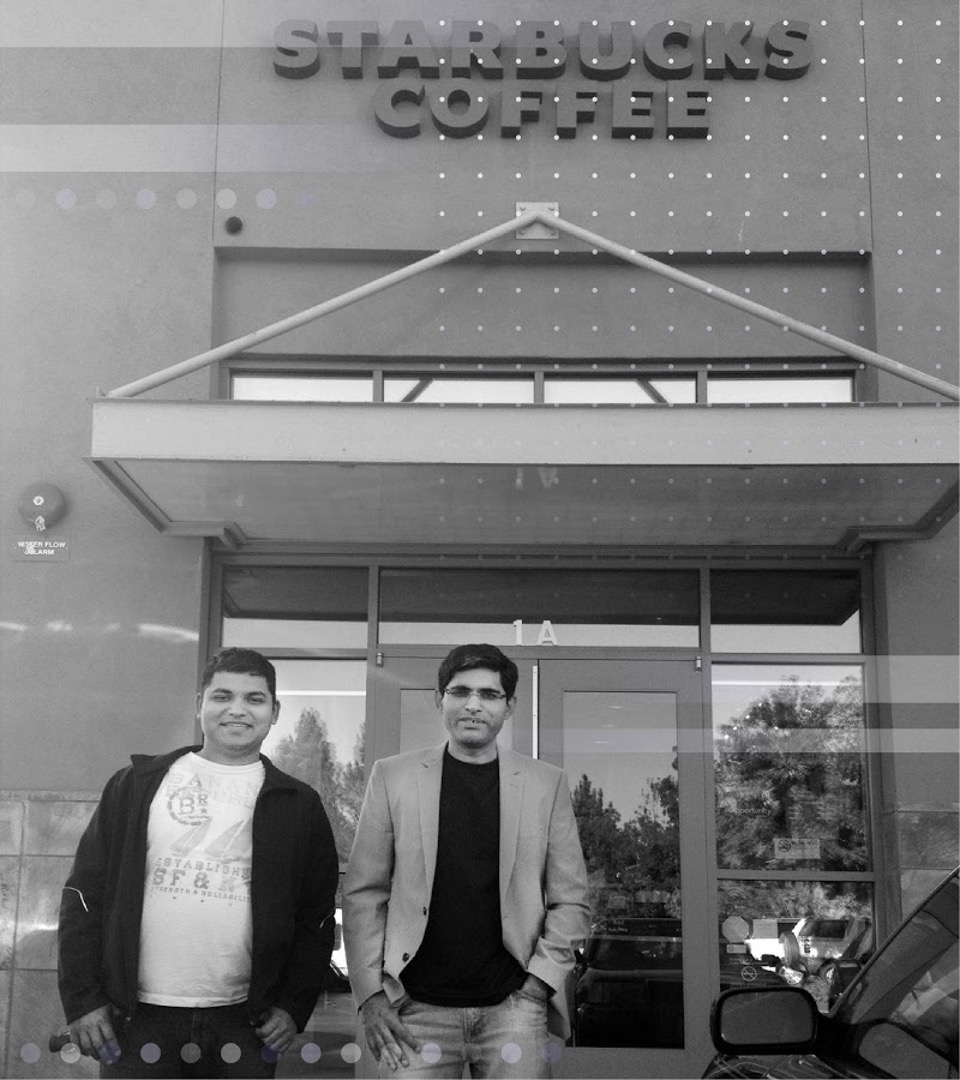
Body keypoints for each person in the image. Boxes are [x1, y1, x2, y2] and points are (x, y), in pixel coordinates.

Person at [57, 647, 339, 1078]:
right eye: (222, 696)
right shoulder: (137, 785)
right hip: (137, 1020)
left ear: (275, 710)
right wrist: (83, 1000)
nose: (237, 711)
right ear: (199, 704)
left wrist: (292, 1007)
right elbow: (83, 895)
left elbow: (316, 917)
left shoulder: (299, 805)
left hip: (245, 1025)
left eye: (254, 699)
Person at [343, 644, 589, 1079]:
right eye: (460, 692)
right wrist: (371, 996)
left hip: (514, 1008)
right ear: (441, 700)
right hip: (415, 1009)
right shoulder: (392, 777)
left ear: (509, 706)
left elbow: (571, 899)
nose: (473, 705)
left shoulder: (545, 785)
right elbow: (365, 892)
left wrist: (539, 982)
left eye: (489, 695)